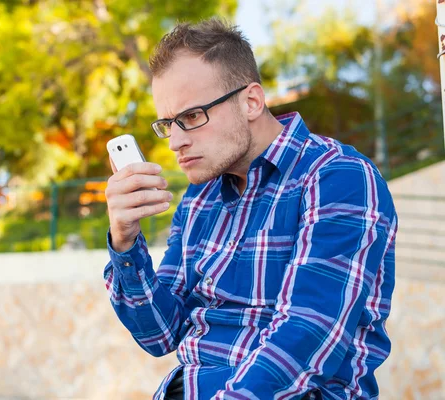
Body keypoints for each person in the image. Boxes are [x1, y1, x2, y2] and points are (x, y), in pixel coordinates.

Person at [103, 18, 397, 400]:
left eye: (191, 117)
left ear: (252, 101)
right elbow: (160, 334)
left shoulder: (337, 177)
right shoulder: (199, 199)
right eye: (167, 124)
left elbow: (307, 334)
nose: (175, 142)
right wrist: (125, 244)